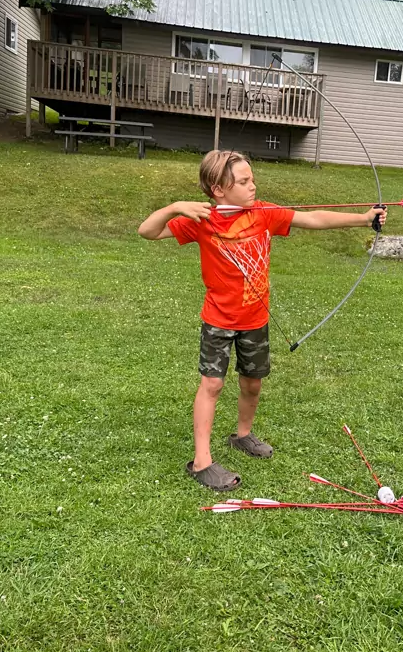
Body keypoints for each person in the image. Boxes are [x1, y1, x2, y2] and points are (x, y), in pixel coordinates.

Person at [138, 150, 386, 492]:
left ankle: (242, 435)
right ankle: (201, 462)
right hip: (218, 318)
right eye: (243, 181)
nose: (252, 186)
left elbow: (311, 219)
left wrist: (363, 219)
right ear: (218, 189)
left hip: (255, 318)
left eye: (251, 179)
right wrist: (174, 208)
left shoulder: (263, 213)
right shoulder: (201, 219)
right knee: (212, 385)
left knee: (252, 382)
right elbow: (147, 232)